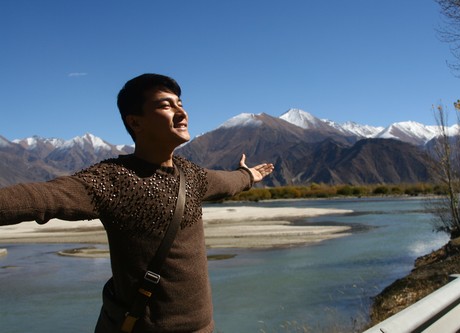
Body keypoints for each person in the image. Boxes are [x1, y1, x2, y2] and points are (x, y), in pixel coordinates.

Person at [0, 73, 274, 332]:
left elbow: (227, 183)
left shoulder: (191, 176)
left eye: (180, 103)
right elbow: (40, 198)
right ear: (135, 122)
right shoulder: (112, 180)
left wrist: (247, 175)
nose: (181, 112)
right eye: (166, 106)